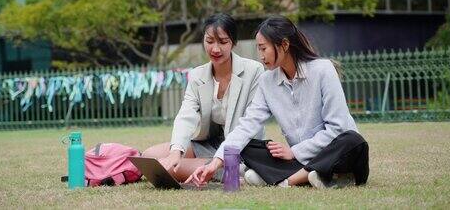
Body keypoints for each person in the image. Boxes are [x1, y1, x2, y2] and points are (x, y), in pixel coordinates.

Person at [186, 15, 369, 188]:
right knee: (247, 146)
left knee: (353, 139)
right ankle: (317, 175)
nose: (260, 55)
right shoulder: (267, 81)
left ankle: (290, 179)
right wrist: (214, 164)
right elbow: (246, 126)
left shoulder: (323, 70)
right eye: (259, 48)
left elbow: (338, 129)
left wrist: (295, 152)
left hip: (336, 154)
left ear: (284, 45)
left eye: (263, 48)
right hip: (298, 160)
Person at [142, 13, 264, 182]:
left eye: (222, 42)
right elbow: (186, 115)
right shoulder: (197, 75)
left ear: (233, 43)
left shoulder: (254, 70)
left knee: (166, 169)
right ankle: (222, 171)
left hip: (241, 149)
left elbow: (250, 124)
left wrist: (218, 159)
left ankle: (232, 171)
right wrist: (176, 152)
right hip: (209, 144)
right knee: (149, 157)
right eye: (209, 41)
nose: (215, 49)